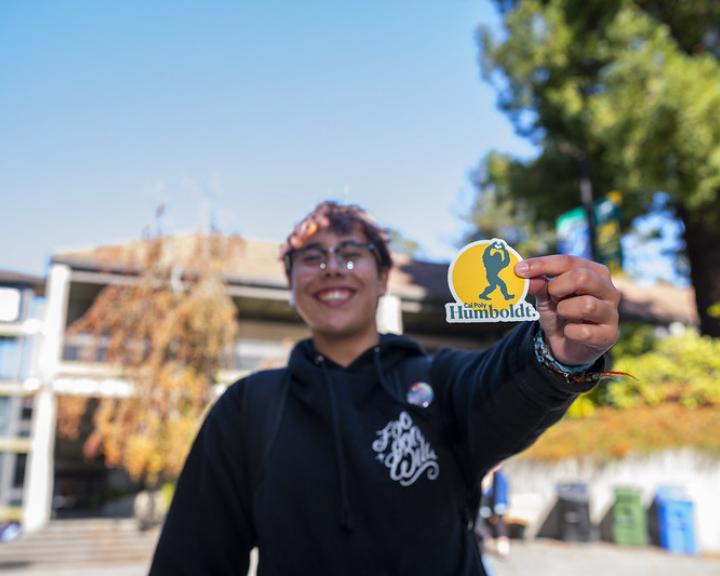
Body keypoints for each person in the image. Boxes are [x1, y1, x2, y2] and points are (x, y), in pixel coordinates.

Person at [150, 201, 620, 575]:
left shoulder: (440, 380)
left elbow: (499, 382)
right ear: (290, 284)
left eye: (352, 253)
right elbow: (192, 560)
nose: (333, 267)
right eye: (311, 258)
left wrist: (552, 351)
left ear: (383, 278)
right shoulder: (247, 408)